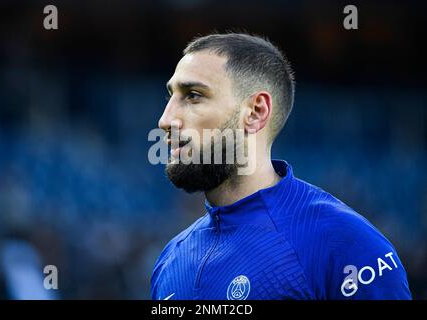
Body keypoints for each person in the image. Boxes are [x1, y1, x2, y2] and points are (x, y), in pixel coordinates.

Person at [150, 32, 411, 300]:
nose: (165, 119)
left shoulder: (343, 244)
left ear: (256, 112)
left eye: (193, 96)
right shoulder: (171, 260)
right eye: (171, 96)